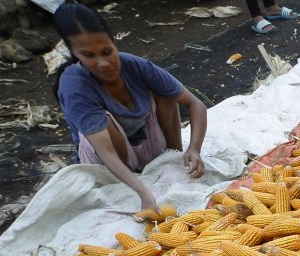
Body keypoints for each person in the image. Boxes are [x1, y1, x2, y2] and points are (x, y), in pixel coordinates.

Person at [52, 3, 208, 217]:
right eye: (89, 55)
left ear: (115, 42)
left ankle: (171, 161)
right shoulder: (74, 85)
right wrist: (143, 193)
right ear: (74, 53)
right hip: (108, 159)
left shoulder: (135, 65)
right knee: (105, 120)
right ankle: (132, 179)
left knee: (165, 93)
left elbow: (195, 104)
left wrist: (194, 149)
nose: (103, 63)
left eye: (107, 52)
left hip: (147, 142)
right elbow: (106, 152)